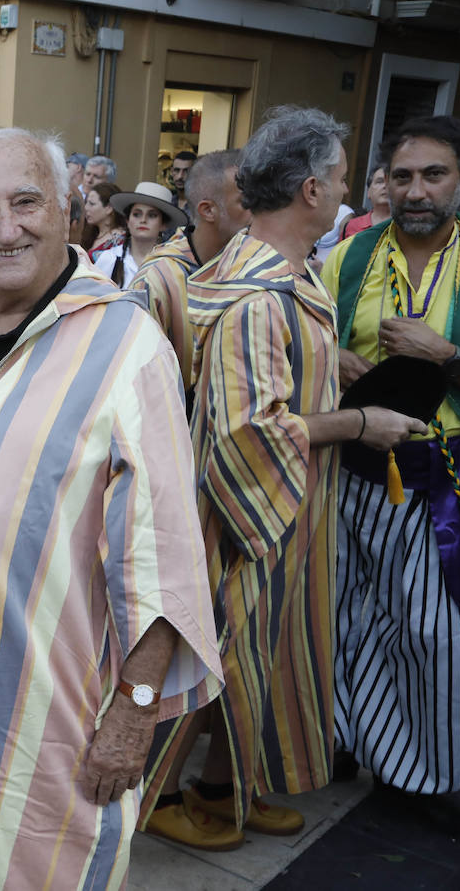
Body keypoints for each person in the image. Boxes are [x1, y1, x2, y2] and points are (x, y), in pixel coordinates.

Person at [0, 127, 222, 889]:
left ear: (67, 209)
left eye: (27, 203)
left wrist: (135, 714)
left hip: (44, 718)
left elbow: (163, 558)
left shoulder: (128, 346)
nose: (5, 227)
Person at [141, 106, 425, 851]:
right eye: (337, 179)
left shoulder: (284, 279)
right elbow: (247, 433)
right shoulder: (256, 296)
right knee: (221, 657)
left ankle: (220, 788)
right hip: (252, 519)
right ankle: (166, 795)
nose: (347, 194)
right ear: (308, 191)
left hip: (289, 512)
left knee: (261, 662)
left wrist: (334, 370)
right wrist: (361, 424)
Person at [321, 115, 460, 794]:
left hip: (445, 475)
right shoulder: (348, 256)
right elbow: (303, 346)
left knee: (434, 634)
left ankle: (427, 777)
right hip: (352, 464)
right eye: (402, 176)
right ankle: (340, 739)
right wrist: (332, 360)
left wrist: (446, 356)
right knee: (342, 611)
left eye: (433, 175)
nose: (416, 191)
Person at [130, 150, 249, 399]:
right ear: (208, 211)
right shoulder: (157, 280)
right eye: (245, 202)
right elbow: (135, 381)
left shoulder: (247, 265)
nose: (257, 211)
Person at [93, 181, 187, 286]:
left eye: (152, 215)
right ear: (127, 221)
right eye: (137, 214)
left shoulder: (171, 265)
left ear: (163, 224)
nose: (143, 220)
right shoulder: (109, 258)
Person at [340, 163, 391, 240]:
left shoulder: (404, 227)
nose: (385, 186)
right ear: (368, 192)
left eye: (389, 183)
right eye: (380, 182)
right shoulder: (352, 226)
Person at [82, 181, 125, 256]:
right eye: (86, 203)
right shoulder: (91, 234)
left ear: (109, 208)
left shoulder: (119, 240)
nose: (86, 208)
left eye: (92, 204)